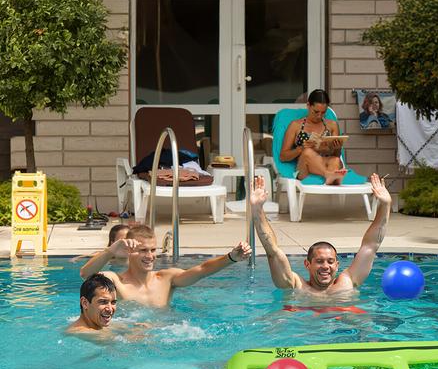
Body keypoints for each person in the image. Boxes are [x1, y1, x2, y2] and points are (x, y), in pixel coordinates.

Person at [250, 173, 391, 294]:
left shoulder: (347, 283)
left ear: (337, 265)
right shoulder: (296, 286)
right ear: (307, 264)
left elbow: (371, 245)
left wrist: (385, 205)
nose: (325, 266)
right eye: (319, 261)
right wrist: (257, 209)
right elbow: (273, 252)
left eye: (330, 261)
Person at [79, 224, 251, 308]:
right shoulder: (117, 282)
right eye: (143, 250)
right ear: (130, 252)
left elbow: (202, 270)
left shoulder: (167, 279)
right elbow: (86, 275)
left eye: (153, 250)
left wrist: (231, 258)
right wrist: (111, 251)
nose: (150, 256)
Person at [280, 88, 347, 186]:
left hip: (325, 161)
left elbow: (336, 155)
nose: (319, 116)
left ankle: (330, 185)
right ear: (308, 105)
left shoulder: (332, 125)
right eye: (316, 112)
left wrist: (337, 148)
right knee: (307, 152)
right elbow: (283, 156)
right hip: (305, 167)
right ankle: (328, 175)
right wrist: (300, 149)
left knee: (335, 160)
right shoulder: (295, 125)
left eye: (323, 112)